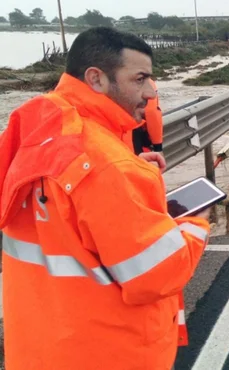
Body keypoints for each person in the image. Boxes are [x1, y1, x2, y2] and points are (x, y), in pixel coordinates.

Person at [0, 26, 211, 370]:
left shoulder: (37, 128)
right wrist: (193, 227)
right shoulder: (104, 164)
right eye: (140, 79)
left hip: (38, 349)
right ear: (96, 79)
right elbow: (155, 274)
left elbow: (63, 211)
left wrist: (127, 172)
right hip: (106, 353)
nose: (150, 92)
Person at [127, 78, 163, 155]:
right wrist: (158, 147)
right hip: (134, 137)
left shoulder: (102, 84)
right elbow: (152, 113)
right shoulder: (146, 83)